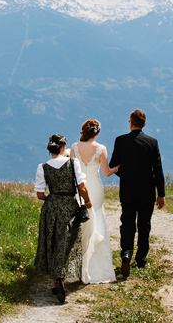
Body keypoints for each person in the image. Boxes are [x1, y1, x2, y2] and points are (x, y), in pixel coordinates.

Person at [34, 133, 92, 304]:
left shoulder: (42, 167)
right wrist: (87, 202)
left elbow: (39, 194)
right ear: (63, 148)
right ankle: (61, 279)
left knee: (52, 241)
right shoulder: (73, 163)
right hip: (69, 206)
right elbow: (81, 187)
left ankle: (54, 281)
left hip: (51, 206)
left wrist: (52, 199)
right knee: (67, 242)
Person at [108, 109, 165, 276]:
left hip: (128, 189)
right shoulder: (152, 142)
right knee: (144, 224)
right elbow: (158, 170)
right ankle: (141, 259)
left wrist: (124, 175)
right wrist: (161, 193)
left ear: (130, 123)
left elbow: (113, 165)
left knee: (127, 222)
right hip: (147, 190)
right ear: (144, 124)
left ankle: (126, 253)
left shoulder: (120, 141)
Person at [69, 119, 119, 283]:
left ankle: (77, 267)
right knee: (97, 219)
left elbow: (72, 172)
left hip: (79, 187)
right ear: (97, 132)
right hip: (95, 188)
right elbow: (105, 173)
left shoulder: (75, 147)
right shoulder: (101, 149)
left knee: (80, 221)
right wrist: (117, 168)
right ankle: (98, 270)